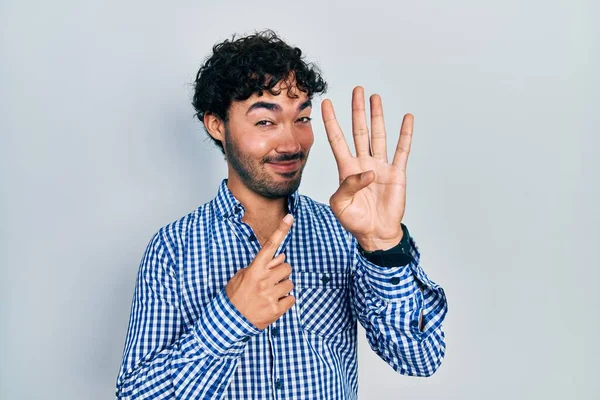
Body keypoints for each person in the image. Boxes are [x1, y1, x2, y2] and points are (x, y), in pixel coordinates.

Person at [115, 29, 447, 400]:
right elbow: (136, 394)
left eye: (301, 119)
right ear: (216, 125)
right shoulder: (173, 249)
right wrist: (230, 319)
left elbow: (421, 358)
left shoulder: (343, 232)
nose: (291, 143)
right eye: (265, 122)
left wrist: (383, 245)